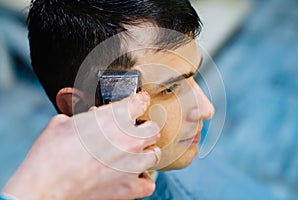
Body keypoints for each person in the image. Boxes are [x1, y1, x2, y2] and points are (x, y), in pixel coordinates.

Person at [1, 0, 216, 199]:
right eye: (169, 88)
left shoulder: (184, 146)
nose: (207, 109)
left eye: (193, 76)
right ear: (80, 106)